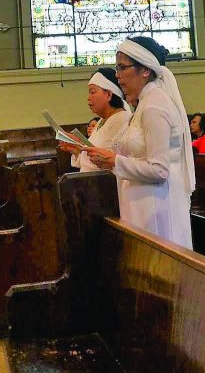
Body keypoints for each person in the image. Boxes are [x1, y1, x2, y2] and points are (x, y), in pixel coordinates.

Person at [84, 37, 194, 249]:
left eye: (123, 67)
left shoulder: (155, 105)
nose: (117, 75)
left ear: (145, 70)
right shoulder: (144, 103)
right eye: (117, 68)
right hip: (142, 207)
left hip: (156, 208)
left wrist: (115, 161)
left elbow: (159, 170)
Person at [58, 68, 131, 173]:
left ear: (109, 95)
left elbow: (107, 162)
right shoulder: (102, 121)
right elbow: (93, 159)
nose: (88, 98)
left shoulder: (121, 119)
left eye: (92, 92)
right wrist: (77, 149)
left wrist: (80, 147)